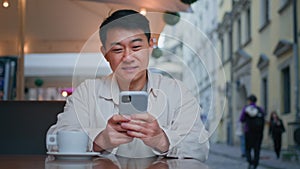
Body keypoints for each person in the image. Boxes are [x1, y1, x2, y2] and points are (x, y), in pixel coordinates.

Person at [46, 9, 209, 161]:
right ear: (105, 54)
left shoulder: (176, 91)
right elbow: (54, 139)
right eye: (117, 50)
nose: (128, 57)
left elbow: (200, 147)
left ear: (150, 46)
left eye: (136, 47)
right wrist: (100, 140)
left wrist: (162, 140)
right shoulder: (87, 92)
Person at [240, 94, 265, 169]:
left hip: (249, 131)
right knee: (257, 149)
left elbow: (241, 119)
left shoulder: (246, 109)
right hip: (258, 132)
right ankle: (255, 164)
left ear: (249, 101)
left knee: (248, 148)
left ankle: (250, 162)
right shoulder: (260, 109)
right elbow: (263, 117)